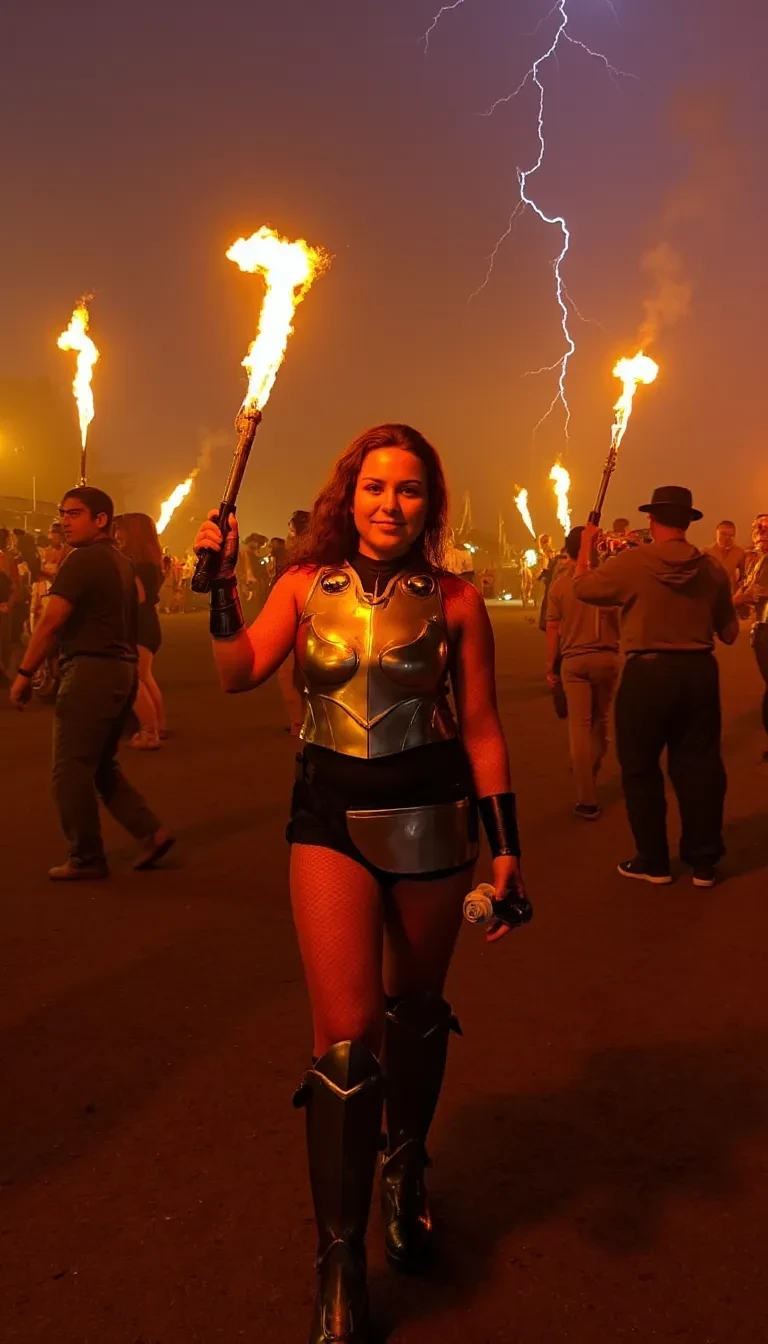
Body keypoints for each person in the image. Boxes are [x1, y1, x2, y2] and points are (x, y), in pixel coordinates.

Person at [193, 422, 531, 1344]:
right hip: (327, 815)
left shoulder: (457, 599)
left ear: (431, 502)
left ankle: (407, 1162)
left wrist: (507, 851)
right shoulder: (304, 586)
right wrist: (222, 589)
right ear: (350, 495)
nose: (390, 504)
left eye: (410, 489)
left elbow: (486, 728)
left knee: (416, 1011)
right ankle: (339, 1257)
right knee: (345, 1046)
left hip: (433, 816)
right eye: (375, 487)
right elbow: (235, 674)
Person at [574, 486, 738, 888]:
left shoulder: (632, 562)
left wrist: (585, 547)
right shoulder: (712, 568)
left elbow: (583, 588)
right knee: (700, 767)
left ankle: (654, 860)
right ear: (687, 522)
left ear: (652, 519)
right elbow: (730, 633)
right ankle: (703, 862)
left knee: (640, 768)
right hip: (699, 672)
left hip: (646, 673)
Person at [9, 486, 173, 880]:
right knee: (100, 766)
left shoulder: (82, 561)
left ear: (101, 520)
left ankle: (85, 855)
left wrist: (25, 673)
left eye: (75, 513)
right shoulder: (120, 561)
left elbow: (53, 619)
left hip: (92, 671)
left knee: (70, 770)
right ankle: (151, 831)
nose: (65, 521)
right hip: (119, 668)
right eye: (63, 513)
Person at [546, 526, 621, 819]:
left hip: (574, 661)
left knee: (579, 726)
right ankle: (590, 767)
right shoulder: (611, 582)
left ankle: (586, 796)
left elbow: (552, 629)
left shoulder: (560, 586)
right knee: (600, 721)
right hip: (607, 658)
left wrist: (549, 665)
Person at [113, 512, 167, 749]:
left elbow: (138, 597)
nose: (116, 534)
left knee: (133, 679)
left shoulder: (134, 564)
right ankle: (159, 725)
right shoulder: (150, 561)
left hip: (138, 623)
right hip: (149, 623)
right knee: (144, 676)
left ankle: (149, 731)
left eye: (120, 529)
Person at [734, 513, 768, 761]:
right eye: (758, 528)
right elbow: (745, 597)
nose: (761, 533)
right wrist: (741, 598)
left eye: (766, 528)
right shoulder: (756, 561)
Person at [277, 510, 311, 735]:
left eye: (291, 528)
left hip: (298, 619)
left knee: (288, 673)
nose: (288, 533)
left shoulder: (299, 560)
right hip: (304, 619)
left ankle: (299, 722)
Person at [0, 527, 20, 683]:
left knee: (4, 643)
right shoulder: (7, 559)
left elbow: (14, 586)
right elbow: (15, 586)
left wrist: (9, 604)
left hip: (4, 608)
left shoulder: (7, 559)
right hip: (4, 608)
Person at [705, 519, 746, 593]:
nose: (727, 538)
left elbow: (744, 578)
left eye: (730, 535)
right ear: (716, 533)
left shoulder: (741, 553)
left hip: (732, 598)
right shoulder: (705, 554)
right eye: (723, 534)